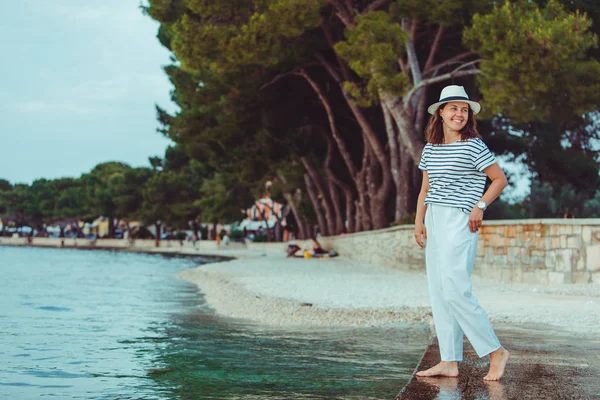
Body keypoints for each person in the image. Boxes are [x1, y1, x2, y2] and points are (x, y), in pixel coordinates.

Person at [414, 85, 510, 381]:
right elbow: (425, 189)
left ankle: (495, 351)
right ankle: (449, 360)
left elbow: (499, 179)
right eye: (453, 108)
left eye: (464, 109)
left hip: (460, 220)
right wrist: (419, 221)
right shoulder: (430, 148)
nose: (459, 113)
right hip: (434, 218)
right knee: (440, 291)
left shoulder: (474, 145)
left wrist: (480, 206)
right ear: (440, 112)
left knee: (456, 287)